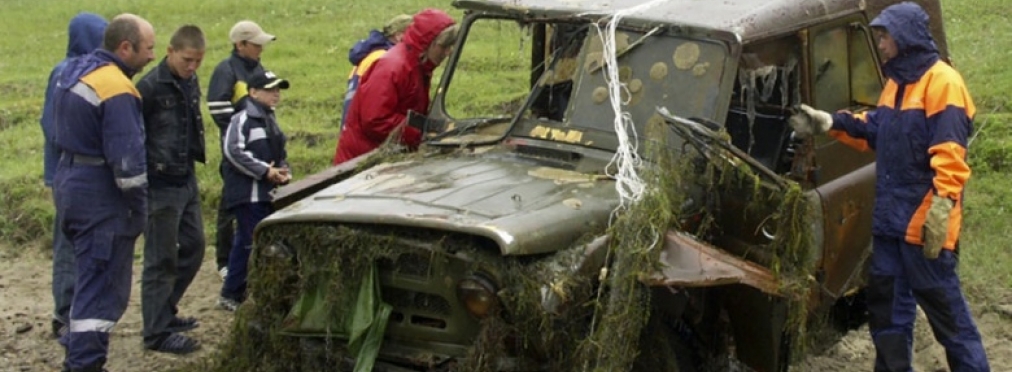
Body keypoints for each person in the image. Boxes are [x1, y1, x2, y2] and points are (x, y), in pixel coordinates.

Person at [788, 3, 990, 371]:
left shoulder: (943, 82)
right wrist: (828, 122)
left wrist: (941, 209)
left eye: (884, 37)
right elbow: (877, 128)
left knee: (949, 320)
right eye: (879, 37)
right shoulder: (897, 83)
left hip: (923, 224)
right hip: (889, 225)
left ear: (906, 38)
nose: (879, 45)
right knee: (888, 317)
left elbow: (950, 153)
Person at [52, 13, 155, 372]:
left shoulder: (73, 71)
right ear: (125, 47)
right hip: (101, 198)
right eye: (148, 48)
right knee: (102, 291)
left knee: (85, 278)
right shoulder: (118, 88)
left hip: (69, 182)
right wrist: (139, 211)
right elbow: (128, 164)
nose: (151, 57)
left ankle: (75, 350)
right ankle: (84, 363)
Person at [136, 24, 207, 355]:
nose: (192, 67)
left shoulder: (190, 81)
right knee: (160, 259)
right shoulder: (149, 87)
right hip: (160, 182)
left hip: (186, 176)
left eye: (198, 61)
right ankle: (156, 332)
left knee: (194, 246)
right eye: (187, 60)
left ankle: (165, 310)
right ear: (170, 52)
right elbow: (136, 134)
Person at [40, 12, 107, 339]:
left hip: (72, 172)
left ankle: (77, 309)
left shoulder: (83, 70)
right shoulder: (65, 73)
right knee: (69, 243)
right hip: (69, 172)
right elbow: (53, 126)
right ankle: (64, 312)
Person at [332, 9, 458, 165]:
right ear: (427, 42)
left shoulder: (418, 66)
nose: (448, 52)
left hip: (381, 158)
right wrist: (419, 133)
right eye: (444, 46)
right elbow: (375, 120)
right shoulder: (394, 67)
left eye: (451, 46)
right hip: (361, 164)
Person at [217, 70, 291, 312]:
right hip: (247, 194)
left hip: (265, 193)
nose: (276, 94)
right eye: (270, 90)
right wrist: (264, 171)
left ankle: (236, 291)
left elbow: (280, 154)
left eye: (277, 89)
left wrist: (283, 171)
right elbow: (233, 152)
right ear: (253, 92)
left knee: (247, 242)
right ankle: (239, 292)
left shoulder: (270, 119)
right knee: (253, 243)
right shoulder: (242, 119)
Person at [207, 20, 275, 280]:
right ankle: (224, 261)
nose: (261, 49)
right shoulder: (225, 70)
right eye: (256, 44)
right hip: (235, 149)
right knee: (230, 203)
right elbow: (217, 108)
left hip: (259, 147)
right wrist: (243, 127)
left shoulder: (257, 67)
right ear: (240, 44)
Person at [339, 14, 413, 131]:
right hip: (363, 127)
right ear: (399, 36)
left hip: (352, 124)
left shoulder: (371, 55)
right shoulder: (384, 59)